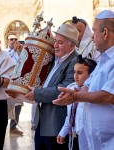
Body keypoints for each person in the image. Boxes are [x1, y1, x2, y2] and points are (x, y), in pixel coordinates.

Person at [53, 10, 114, 150]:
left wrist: (76, 96)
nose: (92, 37)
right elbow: (87, 84)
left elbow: (109, 95)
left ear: (104, 32)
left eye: (94, 31)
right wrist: (73, 93)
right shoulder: (104, 59)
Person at [24, 24, 79, 150]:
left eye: (60, 42)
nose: (55, 45)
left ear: (72, 45)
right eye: (55, 41)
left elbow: (64, 89)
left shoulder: (75, 61)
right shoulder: (55, 58)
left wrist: (37, 93)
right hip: (43, 122)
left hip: (57, 125)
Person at [57, 55, 97, 150]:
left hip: (88, 138)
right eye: (74, 72)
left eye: (80, 73)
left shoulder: (93, 93)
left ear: (91, 75)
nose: (75, 76)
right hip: (73, 137)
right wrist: (63, 132)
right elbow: (70, 115)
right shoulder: (71, 88)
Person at [5, 33, 23, 136]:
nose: (14, 40)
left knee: (18, 105)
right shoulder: (5, 53)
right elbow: (7, 61)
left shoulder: (20, 52)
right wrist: (14, 51)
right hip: (7, 83)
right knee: (6, 106)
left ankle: (13, 127)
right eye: (11, 39)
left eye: (16, 39)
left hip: (18, 82)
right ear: (7, 41)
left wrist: (20, 51)